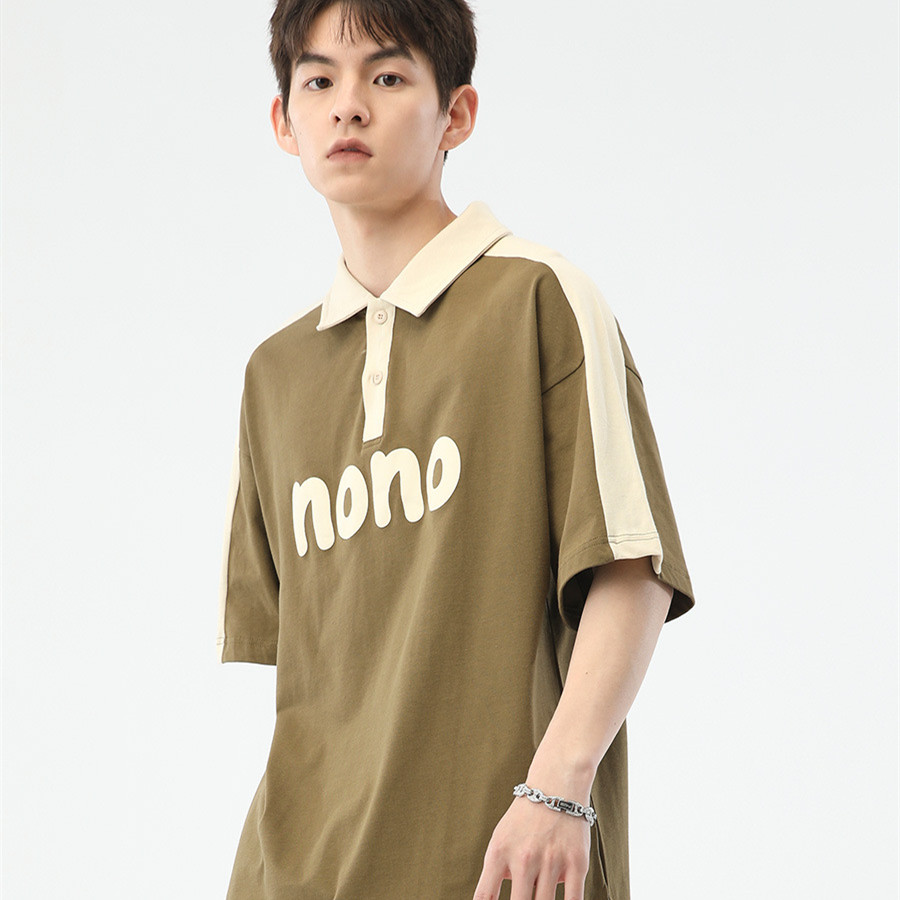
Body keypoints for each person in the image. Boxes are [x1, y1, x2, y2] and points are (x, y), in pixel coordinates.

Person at [216, 1, 696, 898]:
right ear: (284, 122)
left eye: (388, 75)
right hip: (295, 873)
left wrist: (558, 789)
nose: (348, 104)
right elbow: (316, 673)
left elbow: (633, 566)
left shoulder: (538, 300)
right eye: (318, 80)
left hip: (503, 864)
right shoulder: (274, 376)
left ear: (457, 114)